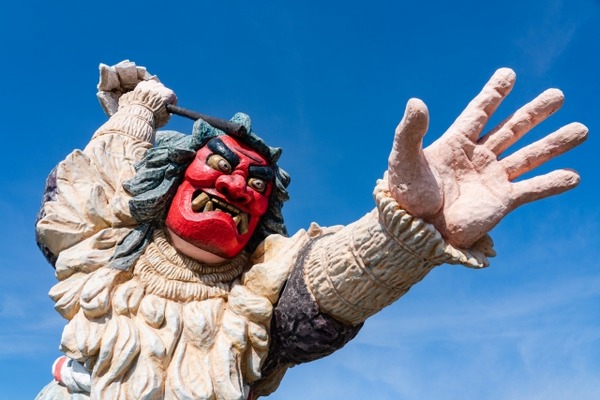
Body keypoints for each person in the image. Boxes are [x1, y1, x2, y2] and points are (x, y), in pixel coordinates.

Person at [35, 61, 587, 400]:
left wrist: (413, 224)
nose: (237, 186)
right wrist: (136, 110)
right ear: (171, 178)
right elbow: (100, 181)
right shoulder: (104, 244)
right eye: (221, 165)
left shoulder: (260, 292)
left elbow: (330, 279)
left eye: (258, 183)